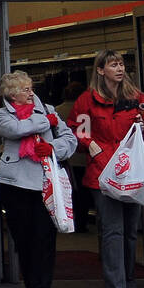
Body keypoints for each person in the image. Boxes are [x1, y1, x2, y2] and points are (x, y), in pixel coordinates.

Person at [73, 50, 144, 288]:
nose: (119, 69)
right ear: (100, 70)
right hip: (102, 174)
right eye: (113, 65)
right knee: (113, 231)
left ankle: (129, 282)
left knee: (130, 232)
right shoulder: (86, 101)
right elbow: (77, 132)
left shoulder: (137, 99)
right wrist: (91, 146)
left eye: (121, 64)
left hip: (131, 173)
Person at [0, 71, 78, 288]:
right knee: (23, 238)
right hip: (14, 183)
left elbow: (69, 139)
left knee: (44, 238)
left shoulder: (49, 108)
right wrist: (46, 121)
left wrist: (52, 148)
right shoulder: (1, 115)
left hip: (45, 182)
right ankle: (31, 286)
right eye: (25, 90)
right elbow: (16, 130)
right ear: (11, 95)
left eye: (31, 88)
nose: (31, 93)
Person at [56, 80, 91, 231]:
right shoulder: (86, 111)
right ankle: (82, 222)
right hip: (84, 158)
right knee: (83, 193)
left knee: (67, 192)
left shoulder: (57, 111)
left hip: (66, 159)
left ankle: (67, 220)